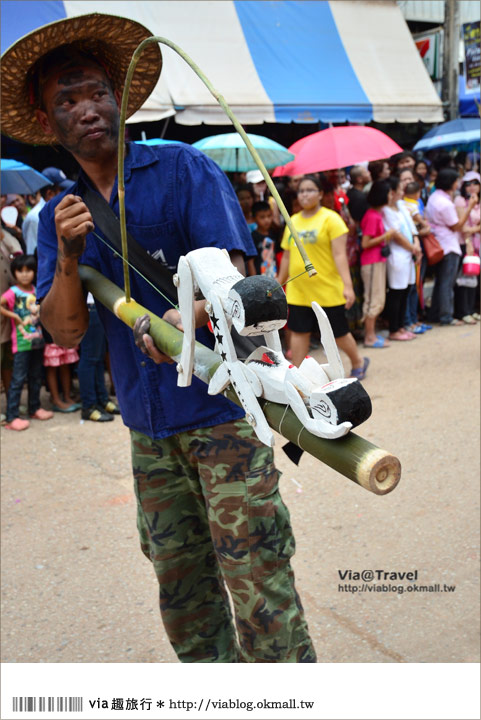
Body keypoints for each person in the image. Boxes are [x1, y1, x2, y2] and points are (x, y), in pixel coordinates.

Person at [1, 13, 315, 663]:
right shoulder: (58, 212)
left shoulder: (183, 170)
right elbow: (64, 327)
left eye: (95, 92)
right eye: (67, 99)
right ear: (47, 121)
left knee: (261, 597)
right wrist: (65, 253)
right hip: (148, 433)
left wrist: (187, 313)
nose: (86, 108)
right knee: (186, 606)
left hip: (222, 415)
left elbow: (236, 284)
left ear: (119, 99)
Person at [277, 175, 368, 378]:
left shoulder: (331, 219)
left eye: (310, 190)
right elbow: (287, 255)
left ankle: (358, 361)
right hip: (299, 290)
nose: (305, 194)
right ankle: (297, 376)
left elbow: (339, 255)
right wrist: (279, 280)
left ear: (320, 194)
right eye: (301, 191)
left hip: (327, 288)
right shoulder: (292, 221)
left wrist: (347, 286)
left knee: (338, 333)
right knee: (299, 332)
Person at [0, 255, 53, 430]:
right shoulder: (13, 292)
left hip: (37, 341)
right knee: (18, 379)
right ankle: (12, 416)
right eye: (20, 271)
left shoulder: (36, 290)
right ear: (14, 273)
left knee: (36, 376)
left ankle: (34, 407)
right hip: (21, 343)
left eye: (28, 270)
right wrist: (14, 315)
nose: (24, 274)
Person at [425, 169, 477, 326]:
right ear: (451, 183)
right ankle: (446, 316)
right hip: (449, 245)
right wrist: (470, 207)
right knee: (447, 283)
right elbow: (457, 226)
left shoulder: (434, 197)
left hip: (440, 243)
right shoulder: (445, 203)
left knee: (441, 282)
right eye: (457, 181)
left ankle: (435, 314)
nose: (459, 183)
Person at [382, 176, 422, 341]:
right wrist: (413, 248)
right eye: (399, 189)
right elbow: (395, 234)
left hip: (410, 253)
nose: (402, 191)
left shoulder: (401, 205)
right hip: (398, 255)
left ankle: (402, 326)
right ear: (391, 192)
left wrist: (416, 245)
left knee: (406, 290)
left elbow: (412, 228)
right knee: (396, 293)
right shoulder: (386, 210)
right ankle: (394, 329)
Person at [359, 181, 394, 348]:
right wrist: (387, 236)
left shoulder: (375, 214)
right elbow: (365, 243)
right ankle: (369, 336)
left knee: (377, 298)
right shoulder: (373, 216)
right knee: (373, 299)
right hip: (372, 261)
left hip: (376, 261)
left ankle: (371, 334)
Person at [78, 293, 119, 421]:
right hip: (88, 306)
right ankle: (89, 406)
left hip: (100, 305)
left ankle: (102, 400)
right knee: (89, 357)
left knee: (99, 357)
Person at [22, 167, 75, 255]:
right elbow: (32, 253)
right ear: (50, 194)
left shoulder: (59, 211)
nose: (68, 194)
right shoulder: (35, 217)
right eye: (62, 190)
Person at [454, 172, 481, 323]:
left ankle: (472, 309)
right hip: (466, 243)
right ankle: (463, 311)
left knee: (474, 278)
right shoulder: (460, 201)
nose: (472, 187)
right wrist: (470, 240)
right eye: (468, 184)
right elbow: (462, 226)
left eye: (475, 183)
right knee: (464, 278)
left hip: (478, 244)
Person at [0, 228, 23, 400]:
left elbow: (18, 256)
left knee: (9, 362)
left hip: (9, 311)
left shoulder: (6, 235)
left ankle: (10, 404)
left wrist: (5, 236)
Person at [248, 201, 277, 277]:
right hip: (259, 277)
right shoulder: (253, 237)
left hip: (274, 275)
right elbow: (250, 262)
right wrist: (254, 280)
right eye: (262, 217)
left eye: (269, 216)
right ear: (254, 219)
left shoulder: (275, 233)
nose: (267, 220)